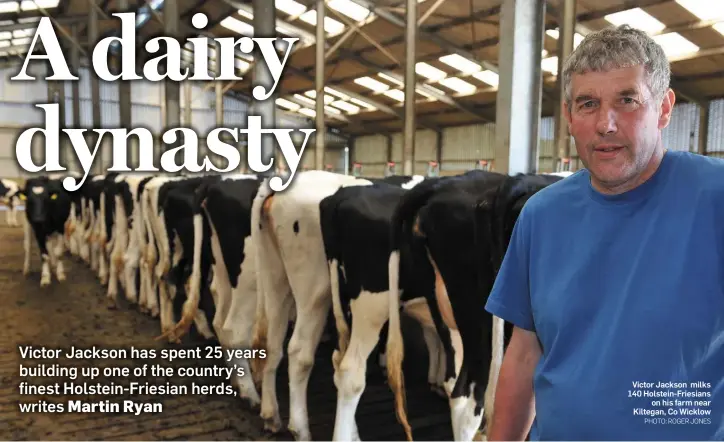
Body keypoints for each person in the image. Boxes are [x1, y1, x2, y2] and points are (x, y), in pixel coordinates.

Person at [484, 24, 724, 440]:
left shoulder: (715, 199)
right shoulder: (541, 215)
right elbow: (525, 353)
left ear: (664, 108)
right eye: (588, 103)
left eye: (627, 100)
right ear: (569, 116)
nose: (605, 124)